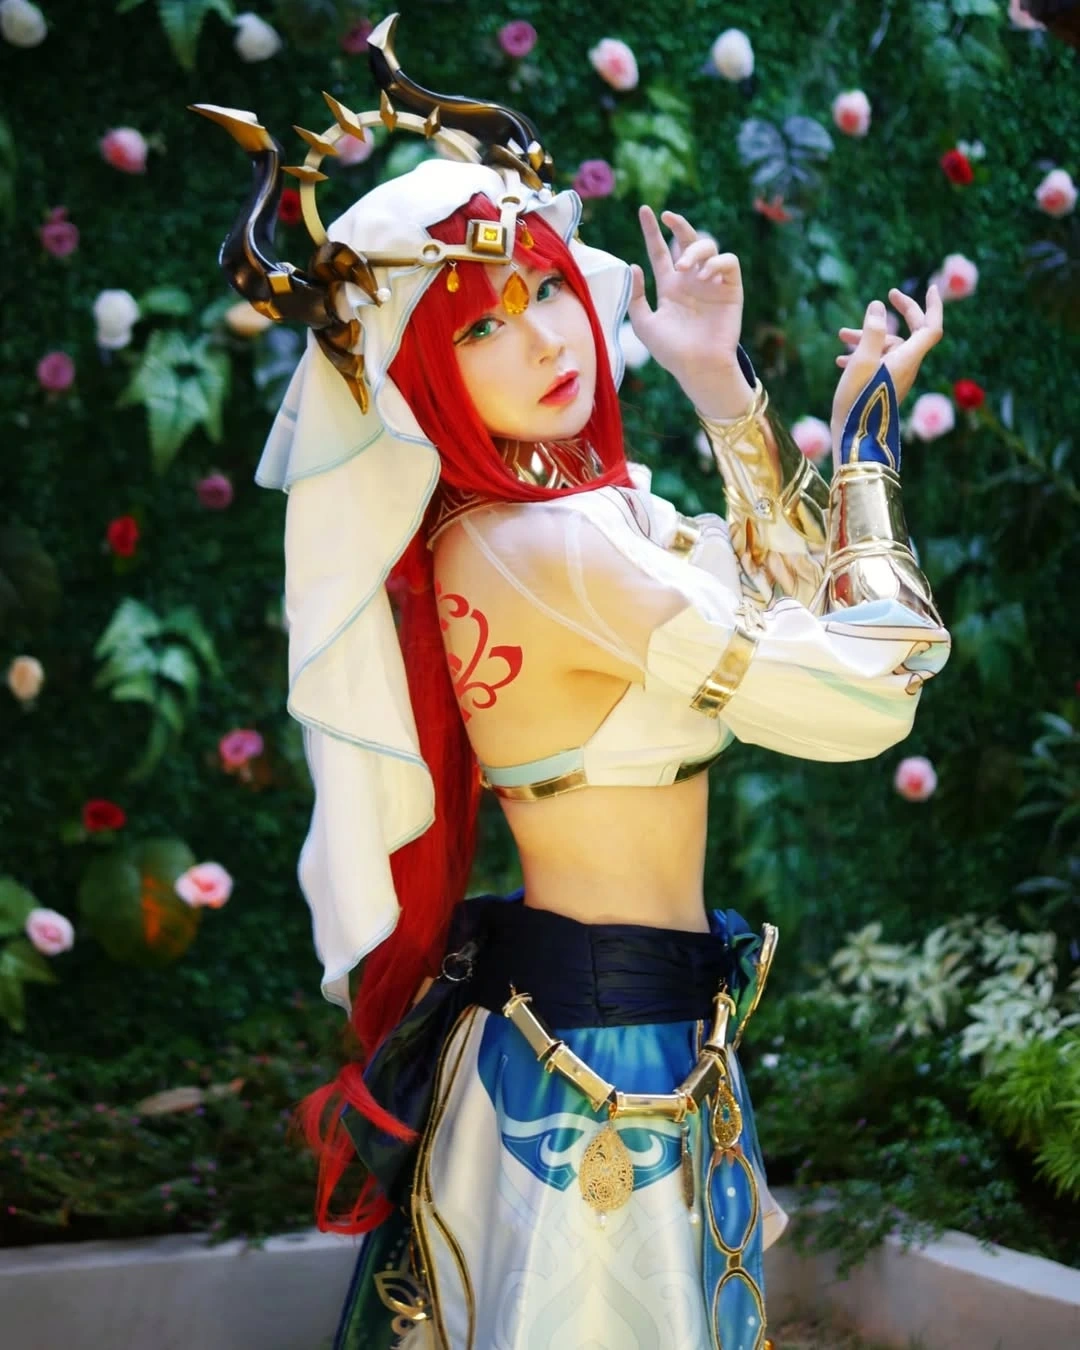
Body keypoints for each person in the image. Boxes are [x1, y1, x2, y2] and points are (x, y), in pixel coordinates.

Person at [195, 15, 950, 1349]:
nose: (546, 337)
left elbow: (776, 602)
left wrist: (716, 382)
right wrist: (868, 449)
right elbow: (869, 693)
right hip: (598, 1073)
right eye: (481, 323)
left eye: (545, 289)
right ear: (418, 374)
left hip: (612, 1042)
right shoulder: (549, 549)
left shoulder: (551, 526)